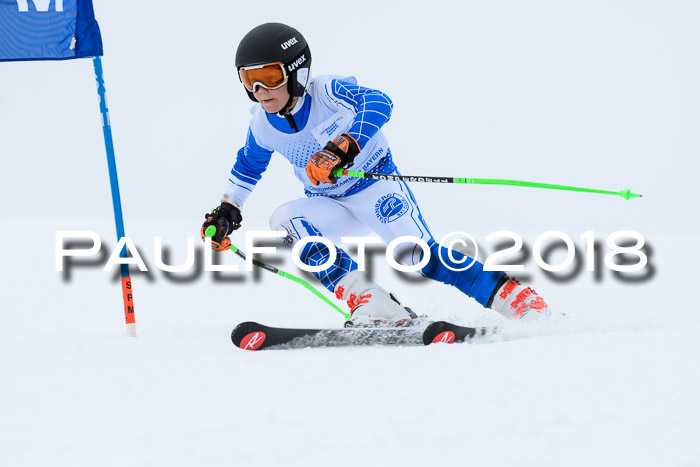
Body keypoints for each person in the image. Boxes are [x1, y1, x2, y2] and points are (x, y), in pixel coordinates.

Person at [202, 22, 551, 326]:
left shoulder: (328, 92)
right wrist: (229, 208)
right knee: (285, 220)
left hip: (375, 188)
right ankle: (375, 303)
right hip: (329, 203)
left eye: (270, 77)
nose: (260, 91)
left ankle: (517, 299)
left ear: (297, 73)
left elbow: (379, 102)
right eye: (250, 80)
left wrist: (343, 147)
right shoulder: (263, 125)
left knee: (418, 257)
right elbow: (249, 165)